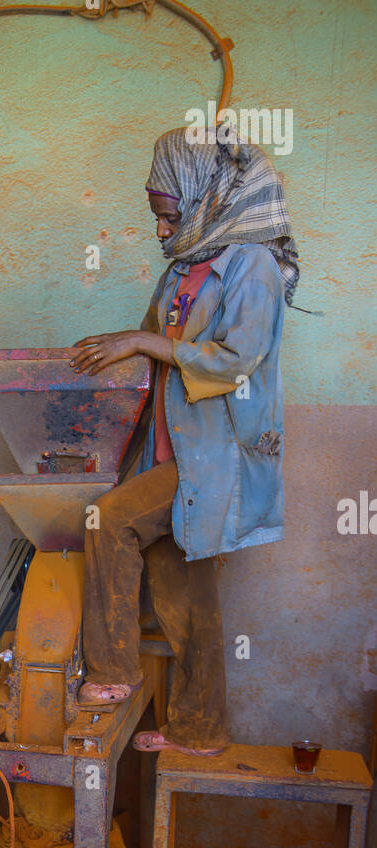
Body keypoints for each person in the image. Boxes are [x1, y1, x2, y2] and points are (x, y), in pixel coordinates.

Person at [70, 124, 298, 755]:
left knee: (107, 521)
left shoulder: (253, 267)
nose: (161, 230)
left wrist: (143, 341)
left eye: (168, 216)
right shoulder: (184, 270)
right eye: (158, 217)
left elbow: (237, 359)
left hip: (216, 459)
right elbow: (152, 348)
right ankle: (200, 730)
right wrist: (99, 367)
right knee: (185, 595)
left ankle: (113, 673)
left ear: (204, 197)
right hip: (170, 452)